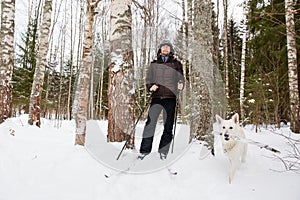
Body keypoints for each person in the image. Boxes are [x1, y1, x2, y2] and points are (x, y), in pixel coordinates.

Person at [139, 40, 184, 160]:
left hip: (171, 98)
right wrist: (150, 86)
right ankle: (144, 151)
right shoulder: (154, 64)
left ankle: (163, 152)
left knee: (168, 126)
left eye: (167, 47)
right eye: (163, 47)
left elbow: (181, 78)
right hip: (156, 98)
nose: (165, 49)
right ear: (160, 49)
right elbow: (148, 79)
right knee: (150, 124)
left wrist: (180, 84)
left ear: (171, 50)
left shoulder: (176, 64)